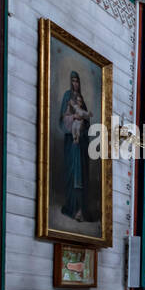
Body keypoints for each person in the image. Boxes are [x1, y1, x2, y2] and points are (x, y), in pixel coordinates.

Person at [59, 71, 93, 222]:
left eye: (77, 81)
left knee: (81, 177)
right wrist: (73, 117)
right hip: (72, 145)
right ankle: (72, 208)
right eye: (73, 81)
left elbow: (87, 121)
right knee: (72, 175)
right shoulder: (67, 96)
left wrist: (84, 122)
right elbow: (63, 118)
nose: (75, 84)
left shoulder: (82, 100)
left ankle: (81, 209)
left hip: (81, 146)